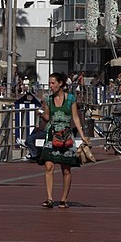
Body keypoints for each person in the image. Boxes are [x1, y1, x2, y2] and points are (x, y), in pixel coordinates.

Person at [38, 73, 89, 209]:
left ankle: (64, 199)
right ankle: (49, 198)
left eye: (53, 83)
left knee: (66, 169)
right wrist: (41, 121)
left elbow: (75, 118)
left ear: (60, 83)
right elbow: (47, 116)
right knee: (48, 165)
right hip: (52, 133)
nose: (50, 86)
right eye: (50, 83)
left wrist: (82, 135)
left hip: (66, 134)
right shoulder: (49, 100)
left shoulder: (71, 99)